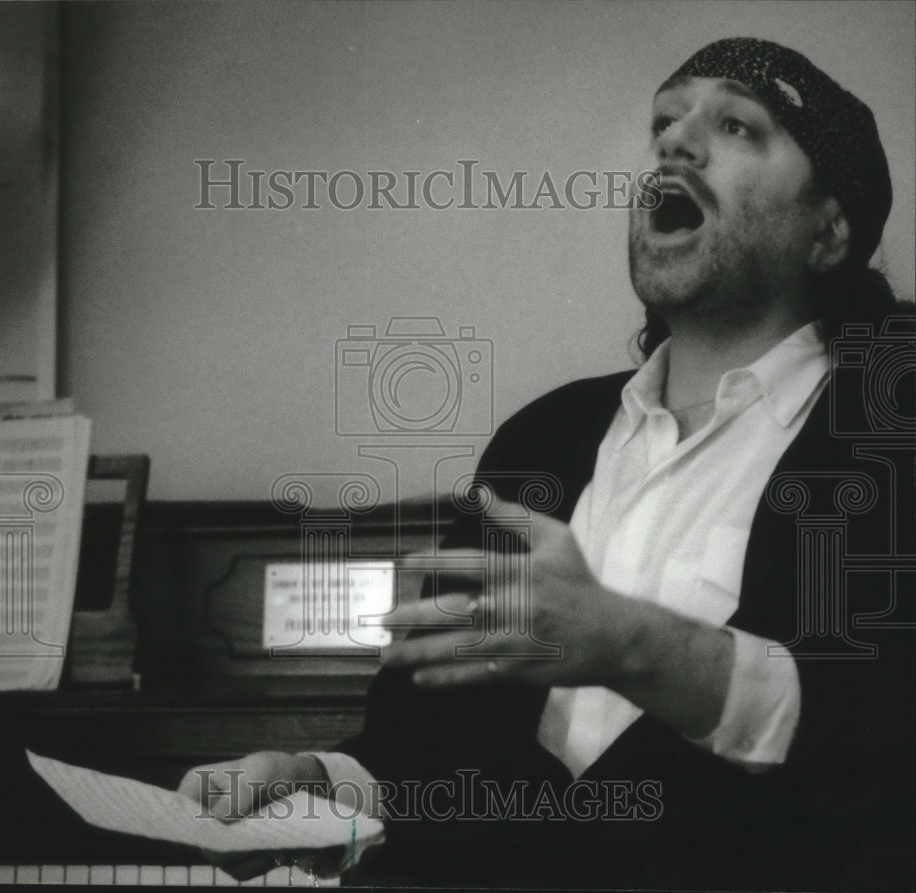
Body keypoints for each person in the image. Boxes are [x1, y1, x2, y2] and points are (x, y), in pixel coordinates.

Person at [179, 37, 914, 890]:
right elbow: (427, 744)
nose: (675, 142)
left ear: (828, 231)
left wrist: (632, 644)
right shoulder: (541, 438)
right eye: (665, 121)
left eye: (738, 126)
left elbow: (883, 739)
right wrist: (322, 785)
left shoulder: (889, 436)